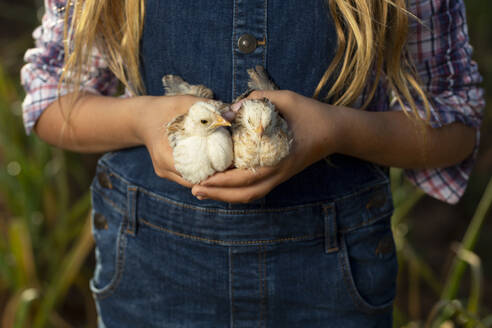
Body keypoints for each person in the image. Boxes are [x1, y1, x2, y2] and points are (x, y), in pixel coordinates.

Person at [21, 0, 484, 326]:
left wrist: (335, 129)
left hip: (329, 281)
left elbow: (456, 124)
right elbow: (48, 99)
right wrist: (142, 118)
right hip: (153, 276)